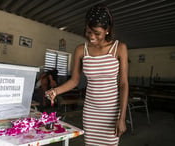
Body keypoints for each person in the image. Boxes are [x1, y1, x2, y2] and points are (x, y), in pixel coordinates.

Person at [45, 3, 128, 146]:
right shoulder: (81, 50)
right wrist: (55, 91)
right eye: (89, 32)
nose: (92, 37)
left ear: (107, 30)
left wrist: (122, 117)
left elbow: (124, 84)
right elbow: (74, 80)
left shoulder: (119, 48)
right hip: (91, 111)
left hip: (111, 111)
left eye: (97, 33)